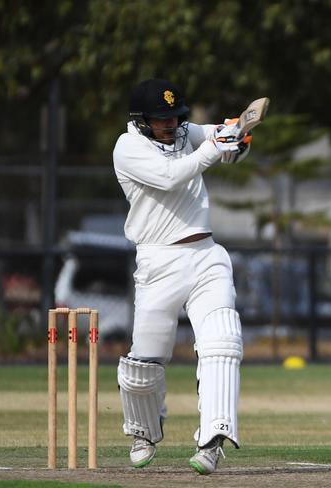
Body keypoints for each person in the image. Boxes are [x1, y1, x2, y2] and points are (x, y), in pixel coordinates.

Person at [112, 78, 249, 475]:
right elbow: (173, 177)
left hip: (206, 255)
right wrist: (213, 148)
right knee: (146, 360)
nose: (170, 125)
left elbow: (219, 140)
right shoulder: (128, 148)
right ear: (142, 121)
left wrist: (234, 139)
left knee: (222, 340)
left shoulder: (187, 133)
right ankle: (143, 432)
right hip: (159, 262)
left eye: (175, 117)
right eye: (161, 120)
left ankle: (213, 439)